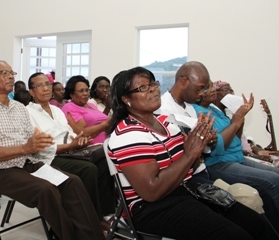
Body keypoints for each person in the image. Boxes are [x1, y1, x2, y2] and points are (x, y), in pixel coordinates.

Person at [106, 66, 275, 240]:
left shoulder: (166, 123)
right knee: (235, 236)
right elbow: (152, 192)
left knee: (255, 224)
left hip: (185, 189)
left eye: (153, 84)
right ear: (126, 99)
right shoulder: (128, 135)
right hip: (152, 208)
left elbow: (190, 168)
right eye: (142, 88)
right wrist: (190, 153)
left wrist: (199, 144)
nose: (153, 90)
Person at [0, 60, 105, 240]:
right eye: (4, 73)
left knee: (72, 182)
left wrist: (38, 142)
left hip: (26, 162)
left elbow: (31, 142)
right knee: (46, 190)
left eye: (12, 73)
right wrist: (26, 147)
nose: (10, 77)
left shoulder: (18, 108)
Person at [157, 61, 279, 229]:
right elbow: (179, 149)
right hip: (188, 177)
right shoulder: (164, 109)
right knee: (260, 191)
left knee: (260, 193)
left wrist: (209, 140)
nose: (201, 94)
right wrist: (203, 141)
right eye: (200, 88)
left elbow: (205, 146)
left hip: (200, 171)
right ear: (183, 81)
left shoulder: (190, 109)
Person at [27, 72, 115, 232]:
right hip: (48, 157)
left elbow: (68, 132)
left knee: (104, 161)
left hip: (70, 150)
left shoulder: (56, 110)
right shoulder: (27, 113)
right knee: (88, 169)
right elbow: (40, 147)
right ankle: (89, 219)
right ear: (31, 92)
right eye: (39, 86)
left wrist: (79, 140)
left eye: (48, 84)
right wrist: (70, 146)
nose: (46, 88)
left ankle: (106, 213)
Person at [193, 80, 279, 208]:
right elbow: (219, 147)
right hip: (220, 162)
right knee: (273, 181)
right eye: (208, 87)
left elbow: (237, 140)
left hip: (237, 157)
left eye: (213, 86)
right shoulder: (199, 112)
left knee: (276, 173)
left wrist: (240, 117)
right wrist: (235, 122)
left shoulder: (214, 109)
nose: (213, 90)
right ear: (198, 94)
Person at [62, 75, 110, 144]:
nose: (85, 94)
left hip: (107, 142)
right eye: (81, 91)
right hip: (93, 149)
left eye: (87, 90)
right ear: (71, 94)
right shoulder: (69, 107)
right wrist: (106, 124)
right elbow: (82, 133)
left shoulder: (91, 105)